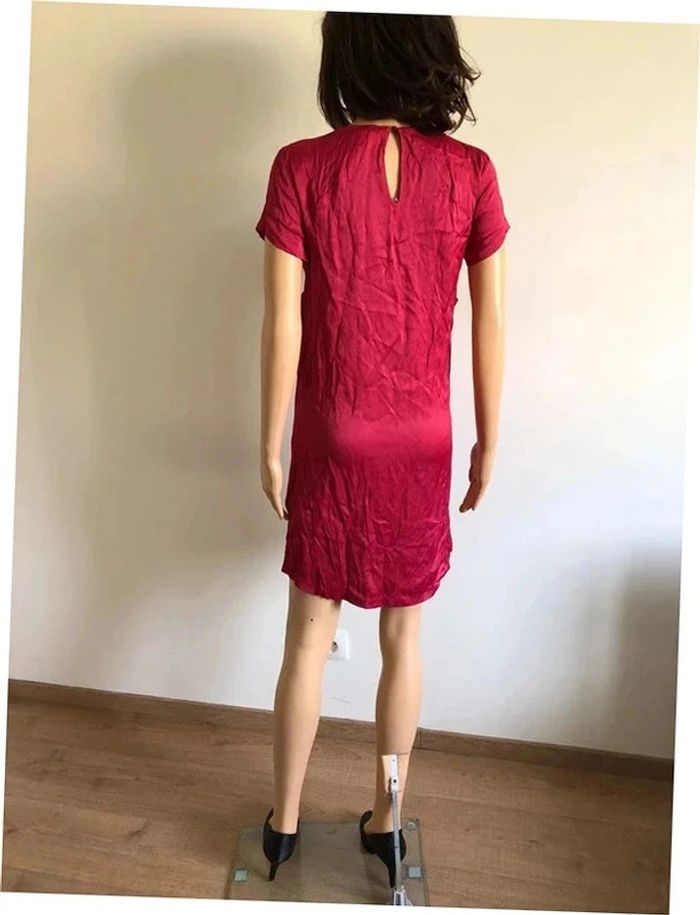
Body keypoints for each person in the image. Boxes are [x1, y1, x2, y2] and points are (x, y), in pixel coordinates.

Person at [256, 11, 510, 884]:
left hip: (334, 427)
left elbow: (282, 321)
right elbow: (490, 321)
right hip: (423, 436)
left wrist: (270, 442)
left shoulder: (300, 167)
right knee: (404, 638)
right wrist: (489, 438)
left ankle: (284, 825)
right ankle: (388, 821)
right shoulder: (472, 173)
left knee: (306, 639)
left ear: (346, 60)